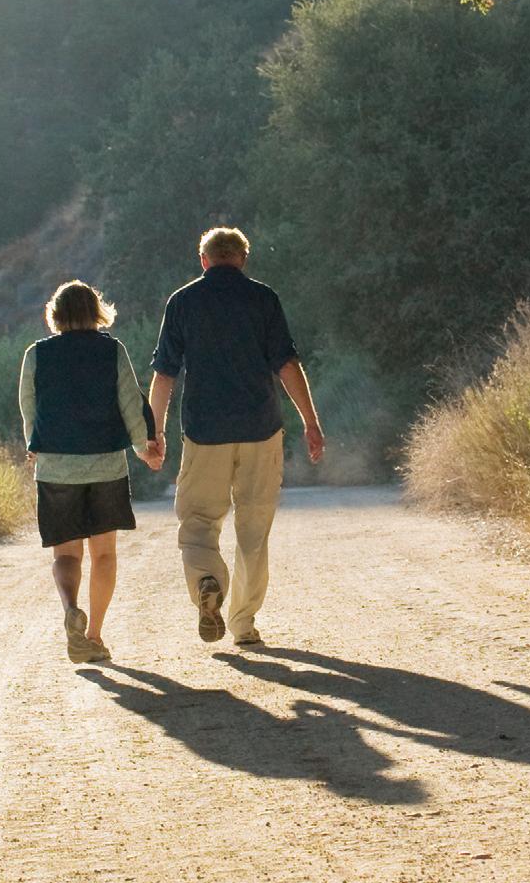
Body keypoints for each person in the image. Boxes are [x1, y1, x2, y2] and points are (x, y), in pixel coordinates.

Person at [148, 225, 325, 649]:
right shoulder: (263, 299)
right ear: (243, 259)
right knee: (254, 526)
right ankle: (243, 624)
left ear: (203, 260)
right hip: (260, 428)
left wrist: (155, 432)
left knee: (198, 522)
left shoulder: (183, 301)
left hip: (205, 431)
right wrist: (311, 421)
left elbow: (165, 375)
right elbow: (287, 365)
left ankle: (207, 582)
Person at [18, 280, 163, 663]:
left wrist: (34, 445)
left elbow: (29, 410)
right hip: (105, 467)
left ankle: (71, 610)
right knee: (104, 555)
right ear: (96, 312)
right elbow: (130, 404)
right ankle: (95, 636)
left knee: (66, 555)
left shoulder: (36, 354)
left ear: (56, 315)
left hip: (56, 469)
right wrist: (144, 449)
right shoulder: (112, 350)